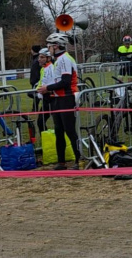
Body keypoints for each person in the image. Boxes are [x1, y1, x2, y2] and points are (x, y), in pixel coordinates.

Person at [37, 33, 81, 170]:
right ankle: (61, 162)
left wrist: (47, 88)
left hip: (67, 97)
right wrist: (49, 90)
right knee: (59, 131)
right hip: (57, 98)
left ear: (55, 46)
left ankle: (78, 160)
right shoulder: (58, 60)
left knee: (70, 130)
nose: (48, 49)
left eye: (49, 46)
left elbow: (66, 81)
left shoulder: (65, 59)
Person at [35, 48, 55, 132]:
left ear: (48, 58)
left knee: (58, 123)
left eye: (42, 57)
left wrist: (47, 90)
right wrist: (37, 89)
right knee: (40, 122)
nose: (39, 59)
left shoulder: (52, 69)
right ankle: (45, 138)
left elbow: (55, 85)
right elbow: (41, 82)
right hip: (45, 99)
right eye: (39, 57)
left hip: (53, 99)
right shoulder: (43, 69)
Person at [29, 45, 43, 113]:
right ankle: (34, 108)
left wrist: (36, 80)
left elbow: (37, 71)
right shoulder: (36, 59)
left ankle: (35, 109)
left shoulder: (37, 60)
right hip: (35, 80)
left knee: (36, 95)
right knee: (36, 95)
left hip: (36, 81)